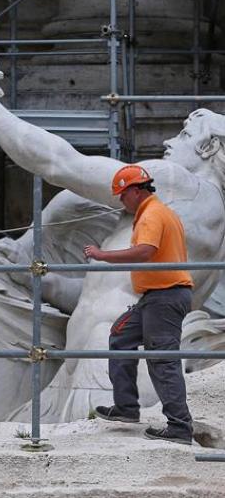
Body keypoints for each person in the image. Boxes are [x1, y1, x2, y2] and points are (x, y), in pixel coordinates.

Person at [0, 51, 225, 423]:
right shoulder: (211, 229)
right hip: (99, 356)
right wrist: (48, 282)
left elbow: (61, 164)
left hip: (106, 358)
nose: (170, 141)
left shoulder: (176, 182)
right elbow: (110, 293)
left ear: (208, 147)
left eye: (185, 134)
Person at [84, 164, 193, 445]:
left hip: (164, 297)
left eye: (122, 195)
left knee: (162, 360)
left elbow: (146, 251)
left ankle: (179, 427)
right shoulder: (158, 212)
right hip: (156, 297)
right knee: (120, 337)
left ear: (135, 191)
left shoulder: (152, 215)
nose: (121, 201)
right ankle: (127, 408)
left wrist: (103, 255)